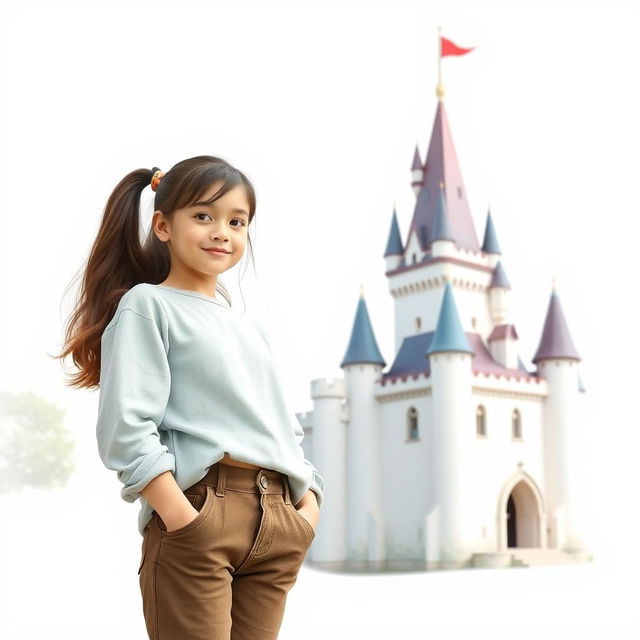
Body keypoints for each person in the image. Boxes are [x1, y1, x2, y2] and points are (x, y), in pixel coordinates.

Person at [57, 155, 325, 639]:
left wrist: (309, 506)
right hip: (201, 511)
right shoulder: (147, 305)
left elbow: (282, 425)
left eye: (236, 221)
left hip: (279, 519)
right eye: (203, 216)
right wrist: (181, 517)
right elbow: (127, 425)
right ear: (163, 225)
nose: (221, 231)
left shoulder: (246, 326)